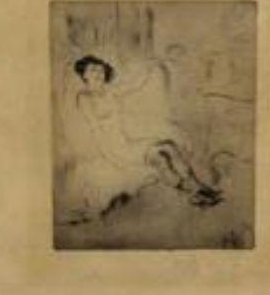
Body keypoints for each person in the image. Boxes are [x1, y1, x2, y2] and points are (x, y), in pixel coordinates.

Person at [62, 54, 222, 223]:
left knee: (168, 147)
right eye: (93, 70)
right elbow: (95, 128)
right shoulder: (84, 98)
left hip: (126, 142)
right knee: (160, 158)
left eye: (100, 70)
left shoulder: (111, 90)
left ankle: (198, 189)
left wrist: (151, 67)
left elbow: (133, 85)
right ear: (84, 75)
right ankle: (195, 193)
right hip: (114, 149)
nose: (98, 73)